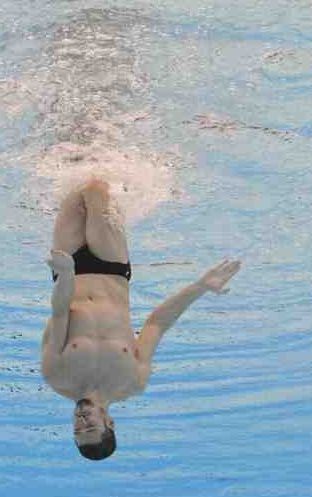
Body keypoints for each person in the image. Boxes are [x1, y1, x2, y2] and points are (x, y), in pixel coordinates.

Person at [41, 179, 241, 460]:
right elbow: (157, 324)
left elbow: (60, 312)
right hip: (111, 267)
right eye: (90, 427)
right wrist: (201, 287)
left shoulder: (56, 376)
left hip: (69, 270)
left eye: (76, 430)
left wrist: (67, 274)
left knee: (72, 184)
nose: (81, 422)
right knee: (95, 187)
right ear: (109, 423)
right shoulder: (133, 380)